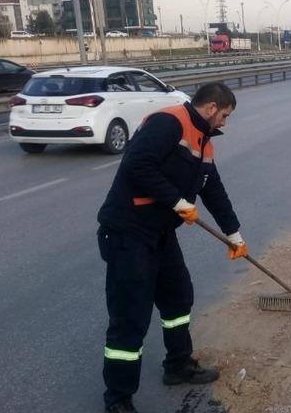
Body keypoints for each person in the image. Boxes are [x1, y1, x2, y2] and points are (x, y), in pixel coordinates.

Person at [96, 83, 249, 413]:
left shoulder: (204, 141)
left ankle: (178, 365)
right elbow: (137, 165)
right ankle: (118, 399)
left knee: (178, 297)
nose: (225, 122)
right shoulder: (169, 122)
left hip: (160, 231)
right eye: (225, 115)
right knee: (130, 316)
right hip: (129, 231)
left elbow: (213, 190)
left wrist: (234, 233)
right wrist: (177, 201)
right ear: (211, 108)